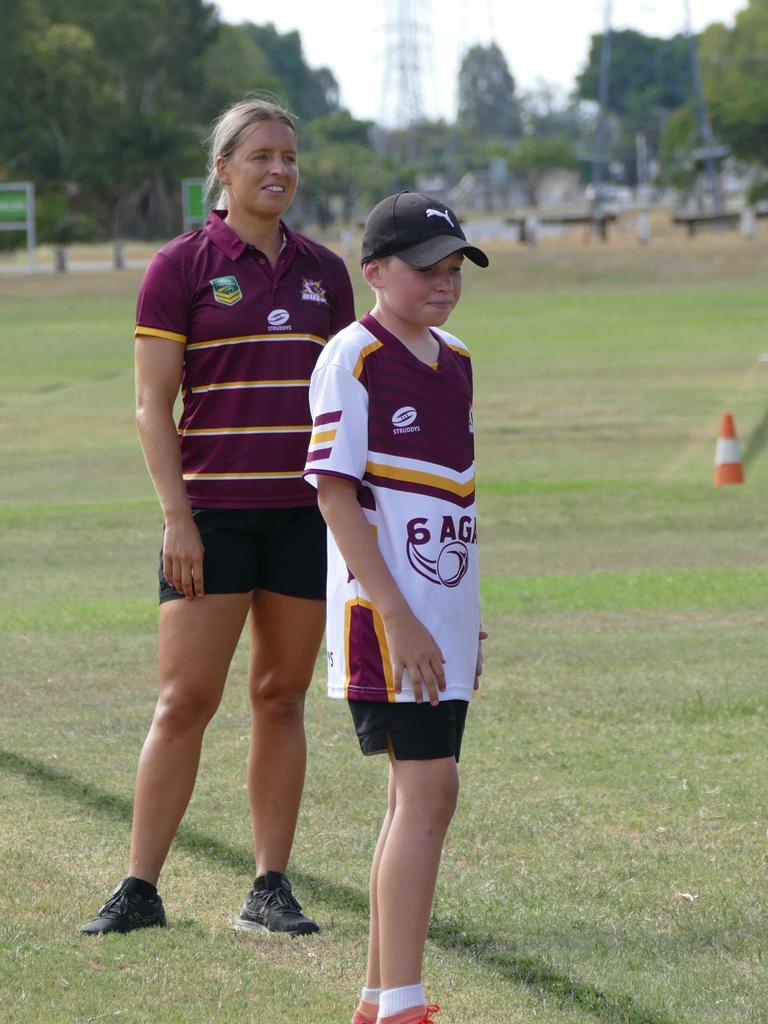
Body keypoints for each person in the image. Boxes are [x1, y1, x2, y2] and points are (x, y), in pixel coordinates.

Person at [80, 97, 355, 937]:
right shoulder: (181, 266)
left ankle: (269, 886)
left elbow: (346, 405)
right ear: (224, 170)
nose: (280, 170)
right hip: (211, 519)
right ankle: (138, 888)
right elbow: (150, 405)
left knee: (281, 697)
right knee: (184, 701)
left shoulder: (325, 273)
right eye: (261, 155)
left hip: (303, 520)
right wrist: (177, 519)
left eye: (290, 157)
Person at [303, 191, 488, 1024]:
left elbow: (451, 503)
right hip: (387, 622)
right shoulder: (353, 356)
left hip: (439, 620)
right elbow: (336, 497)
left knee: (413, 797)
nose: (443, 283)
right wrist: (399, 615)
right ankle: (406, 1005)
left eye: (454, 268)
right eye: (425, 269)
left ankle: (381, 1000)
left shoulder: (457, 360)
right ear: (373, 272)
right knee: (430, 792)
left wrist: (457, 614)